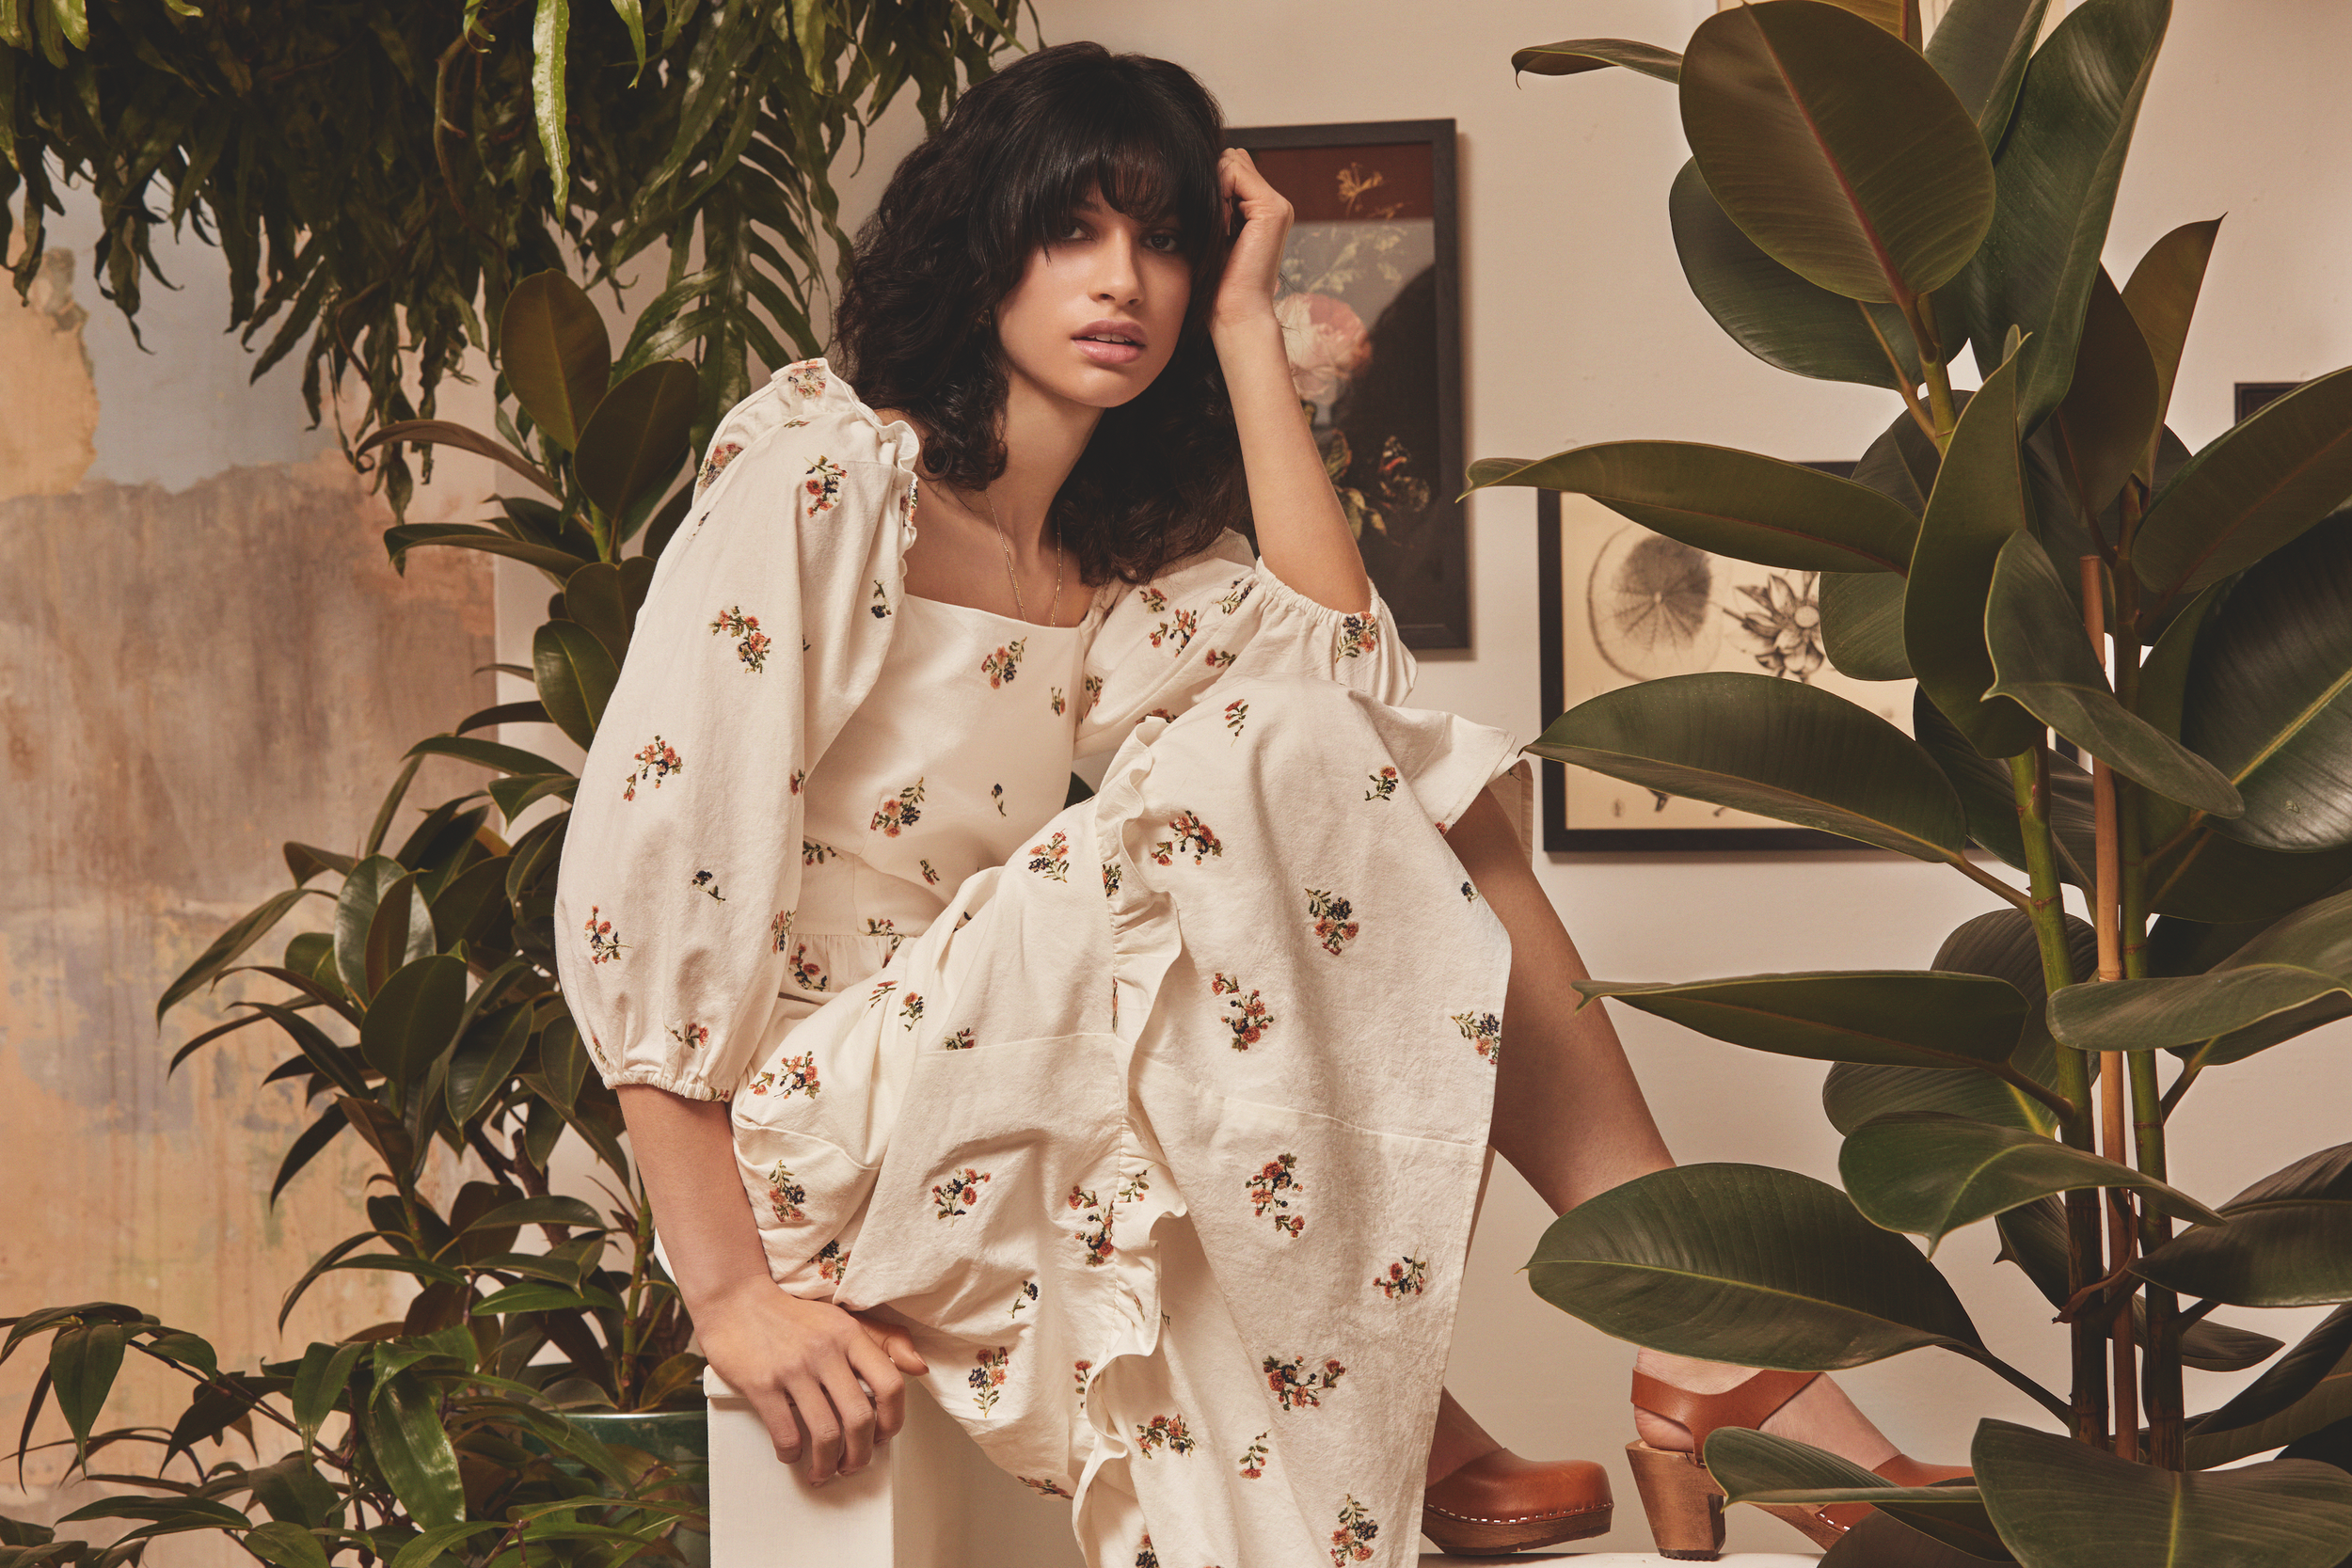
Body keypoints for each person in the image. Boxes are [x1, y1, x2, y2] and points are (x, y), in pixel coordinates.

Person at [551, 40, 1954, 1565]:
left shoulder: (1101, 563)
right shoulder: (831, 472)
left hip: (987, 1083)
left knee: (1353, 758)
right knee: (1274, 749)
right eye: (1072, 229)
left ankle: (1648, 1332)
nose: (1123, 279)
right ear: (982, 246)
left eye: (1163, 240)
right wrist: (726, 1289)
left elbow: (1361, 694)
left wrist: (1245, 323)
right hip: (822, 1129)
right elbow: (652, 851)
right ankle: (1688, 1341)